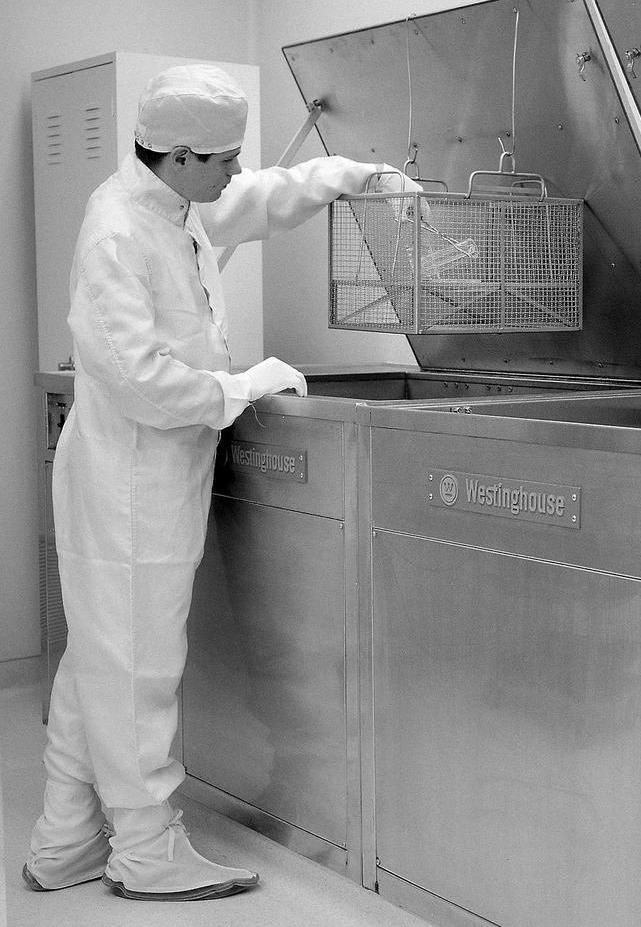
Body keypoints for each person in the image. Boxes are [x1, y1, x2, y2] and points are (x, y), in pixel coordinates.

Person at [22, 64, 419, 902]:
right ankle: (146, 851)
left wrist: (357, 176)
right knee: (136, 671)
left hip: (148, 475)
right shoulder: (118, 232)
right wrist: (243, 386)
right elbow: (141, 380)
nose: (236, 172)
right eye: (223, 159)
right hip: (130, 484)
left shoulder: (177, 201)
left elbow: (264, 196)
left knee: (97, 661)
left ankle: (65, 839)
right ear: (178, 156)